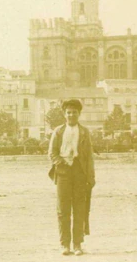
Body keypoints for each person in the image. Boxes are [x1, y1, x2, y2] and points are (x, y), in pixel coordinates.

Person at [48, 99, 96, 256]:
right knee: (63, 209)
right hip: (63, 172)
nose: (71, 115)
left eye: (74, 112)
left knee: (79, 208)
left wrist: (91, 177)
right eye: (68, 112)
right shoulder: (58, 131)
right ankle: (64, 244)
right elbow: (52, 153)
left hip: (79, 171)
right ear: (64, 114)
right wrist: (60, 162)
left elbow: (89, 156)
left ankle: (77, 244)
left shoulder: (84, 132)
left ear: (79, 114)